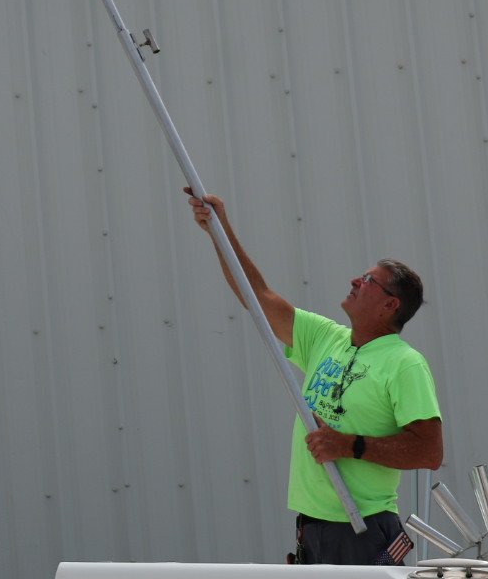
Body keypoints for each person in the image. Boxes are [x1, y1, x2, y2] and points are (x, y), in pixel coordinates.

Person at [185, 190, 443, 566]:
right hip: (313, 526)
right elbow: (257, 295)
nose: (355, 280)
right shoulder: (326, 338)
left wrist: (349, 445)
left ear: (391, 305)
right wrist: (218, 229)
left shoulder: (405, 364)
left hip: (363, 529)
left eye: (370, 280)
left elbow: (429, 452)